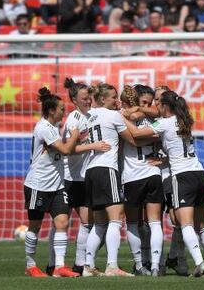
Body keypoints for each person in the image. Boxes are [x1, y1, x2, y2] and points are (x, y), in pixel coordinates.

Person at [124, 90, 204, 277]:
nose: (156, 107)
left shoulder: (164, 123)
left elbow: (135, 133)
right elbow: (178, 149)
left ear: (165, 106)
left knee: (185, 224)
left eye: (159, 104)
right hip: (199, 173)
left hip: (182, 177)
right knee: (201, 225)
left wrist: (120, 118)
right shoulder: (185, 121)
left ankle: (199, 263)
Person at [23, 88, 81, 278]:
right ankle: (31, 265)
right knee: (35, 226)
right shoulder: (44, 128)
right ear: (51, 111)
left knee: (62, 222)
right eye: (61, 109)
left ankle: (59, 267)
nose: (63, 112)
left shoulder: (54, 128)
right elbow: (65, 150)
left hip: (57, 185)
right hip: (38, 184)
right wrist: (75, 135)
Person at [83, 83, 138, 277]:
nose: (117, 100)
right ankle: (112, 266)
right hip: (107, 169)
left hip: (90, 171)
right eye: (114, 97)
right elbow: (133, 139)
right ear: (102, 99)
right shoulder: (114, 115)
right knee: (116, 218)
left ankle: (88, 266)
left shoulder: (89, 116)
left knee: (99, 223)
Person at [60, 78, 111, 275]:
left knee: (87, 223)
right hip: (68, 178)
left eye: (89, 97)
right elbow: (68, 150)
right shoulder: (73, 119)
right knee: (61, 224)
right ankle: (54, 264)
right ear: (74, 100)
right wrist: (93, 146)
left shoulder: (90, 116)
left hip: (84, 178)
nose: (88, 101)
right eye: (84, 98)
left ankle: (80, 265)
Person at [119, 86, 164, 276]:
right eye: (142, 102)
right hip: (152, 174)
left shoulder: (121, 116)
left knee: (135, 223)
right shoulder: (155, 119)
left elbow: (131, 139)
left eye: (148, 102)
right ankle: (152, 265)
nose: (145, 105)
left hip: (133, 177)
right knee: (152, 223)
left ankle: (142, 265)